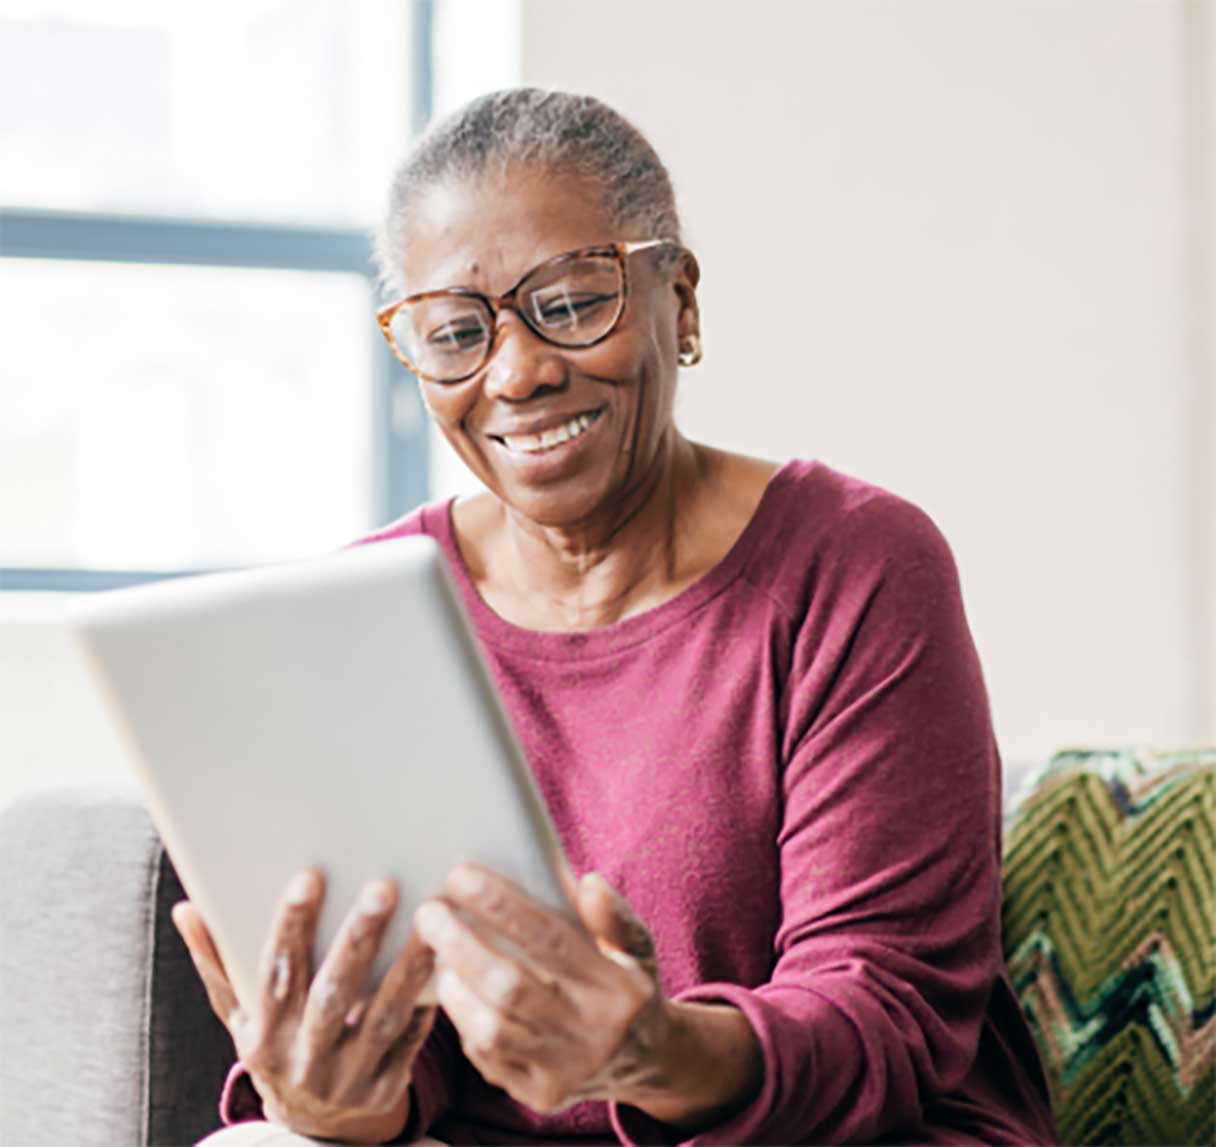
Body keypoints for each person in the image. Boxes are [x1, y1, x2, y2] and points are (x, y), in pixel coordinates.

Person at [176, 88, 1059, 1146]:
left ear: (676, 299)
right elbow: (412, 1057)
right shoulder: (372, 608)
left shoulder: (855, 565)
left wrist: (650, 1049)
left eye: (569, 301)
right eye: (455, 332)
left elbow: (885, 1015)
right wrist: (338, 1097)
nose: (517, 372)